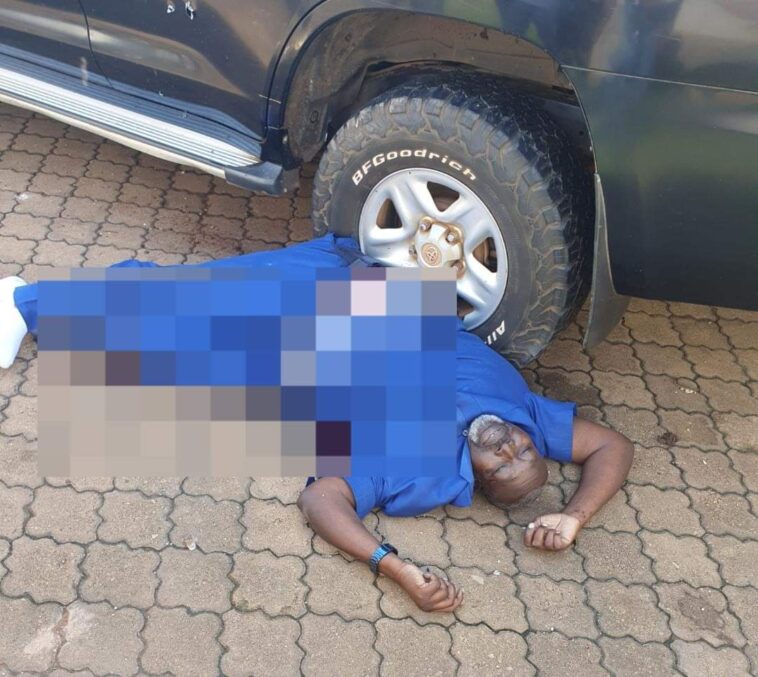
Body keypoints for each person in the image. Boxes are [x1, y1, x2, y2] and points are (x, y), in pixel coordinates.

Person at [0, 234, 634, 614]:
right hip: (352, 282)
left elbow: (321, 499)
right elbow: (611, 444)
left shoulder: (421, 469)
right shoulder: (527, 418)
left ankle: (25, 304)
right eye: (524, 451)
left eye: (502, 464)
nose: (511, 447)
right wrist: (573, 516)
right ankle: (52, 303)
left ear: (478, 477)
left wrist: (393, 566)